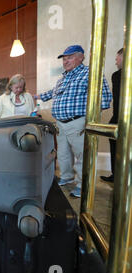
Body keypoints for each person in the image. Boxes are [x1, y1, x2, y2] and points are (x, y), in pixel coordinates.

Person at [36, 45, 112, 198]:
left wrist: (91, 119)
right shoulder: (63, 78)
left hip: (78, 121)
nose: (65, 61)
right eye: (64, 59)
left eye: (69, 57)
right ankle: (67, 176)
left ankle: (83, 185)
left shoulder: (89, 73)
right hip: (61, 124)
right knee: (63, 154)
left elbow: (104, 96)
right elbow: (53, 93)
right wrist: (36, 96)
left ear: (81, 57)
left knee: (83, 155)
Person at [101, 48, 123, 182]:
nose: (115, 62)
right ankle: (116, 175)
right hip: (117, 116)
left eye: (117, 58)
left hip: (124, 116)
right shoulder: (116, 75)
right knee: (114, 141)